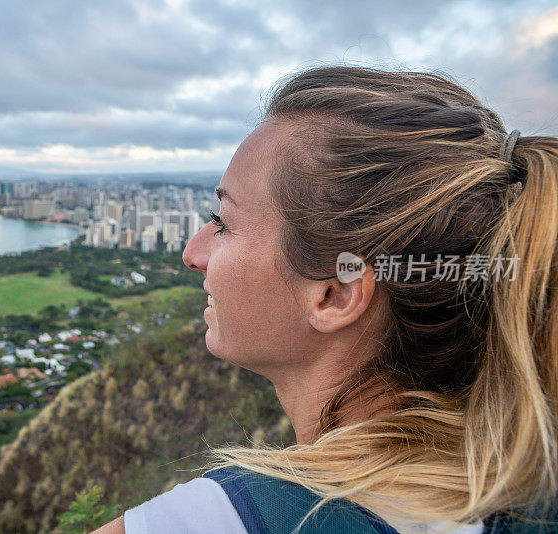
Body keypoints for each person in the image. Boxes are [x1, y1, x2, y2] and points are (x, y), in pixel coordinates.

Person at [93, 65, 558, 533]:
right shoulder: (534, 496)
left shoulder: (231, 518)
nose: (193, 253)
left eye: (224, 221)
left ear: (336, 294)